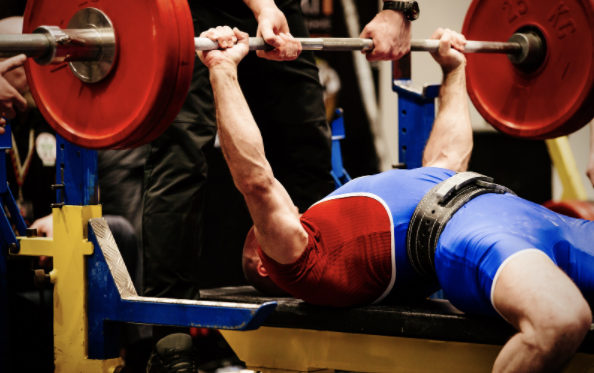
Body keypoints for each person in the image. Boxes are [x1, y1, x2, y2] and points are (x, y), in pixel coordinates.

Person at [191, 26, 593, 373]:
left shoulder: (345, 211)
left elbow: (446, 163)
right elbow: (256, 180)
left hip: (520, 211)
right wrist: (223, 72)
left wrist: (454, 71)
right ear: (265, 262)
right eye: (259, 231)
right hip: (471, 232)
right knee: (561, 321)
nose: (285, 212)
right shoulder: (304, 263)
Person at [142, 0, 414, 345]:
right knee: (182, 157)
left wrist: (396, 7)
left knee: (306, 150)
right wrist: (264, 6)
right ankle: (171, 340)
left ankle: (325, 316)